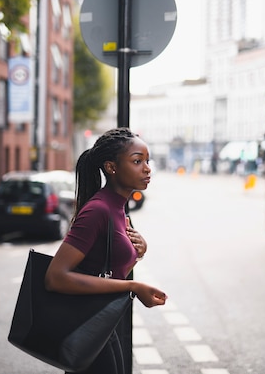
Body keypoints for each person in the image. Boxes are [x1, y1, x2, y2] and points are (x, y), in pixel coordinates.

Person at [45, 127, 168, 374]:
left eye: (147, 161)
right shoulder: (98, 210)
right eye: (137, 161)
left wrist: (138, 252)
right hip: (87, 324)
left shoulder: (118, 208)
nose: (147, 168)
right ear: (111, 168)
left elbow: (105, 267)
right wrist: (134, 286)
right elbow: (55, 277)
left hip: (103, 324)